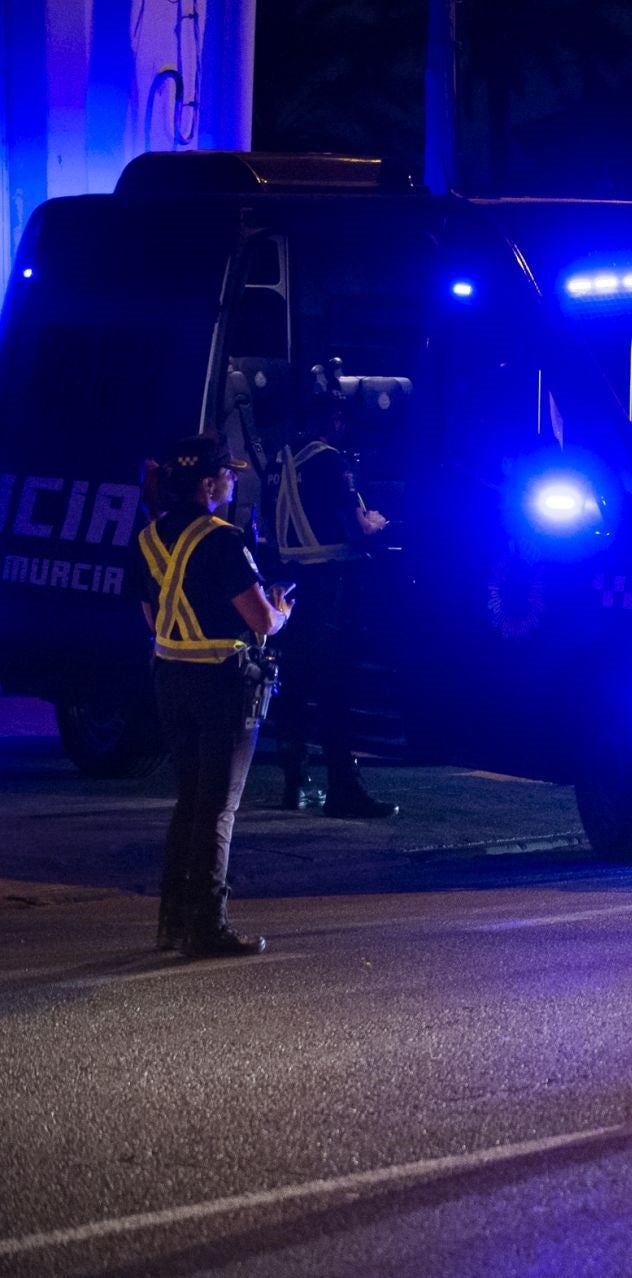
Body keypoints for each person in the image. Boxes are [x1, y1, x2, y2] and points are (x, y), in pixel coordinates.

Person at [138, 435, 293, 957]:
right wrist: (280, 613)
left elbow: (152, 617)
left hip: (170, 679)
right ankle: (207, 926)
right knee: (218, 808)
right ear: (208, 484)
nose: (232, 482)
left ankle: (172, 921)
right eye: (228, 475)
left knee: (188, 801)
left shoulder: (148, 538)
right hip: (223, 684)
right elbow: (260, 621)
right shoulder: (224, 540)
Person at [271, 360, 398, 819]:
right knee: (335, 691)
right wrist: (376, 522)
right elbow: (353, 526)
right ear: (335, 420)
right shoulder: (330, 461)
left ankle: (294, 782)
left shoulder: (280, 461)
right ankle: (345, 788)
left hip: (290, 587)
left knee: (295, 686)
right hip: (332, 588)